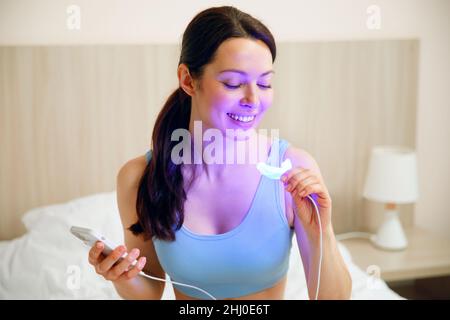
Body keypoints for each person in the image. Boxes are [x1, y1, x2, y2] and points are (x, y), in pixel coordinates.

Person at [88, 5, 351, 300]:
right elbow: (150, 290)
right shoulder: (140, 178)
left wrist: (322, 233)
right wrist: (121, 277)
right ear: (188, 80)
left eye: (265, 83)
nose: (253, 100)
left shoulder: (293, 170)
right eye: (233, 83)